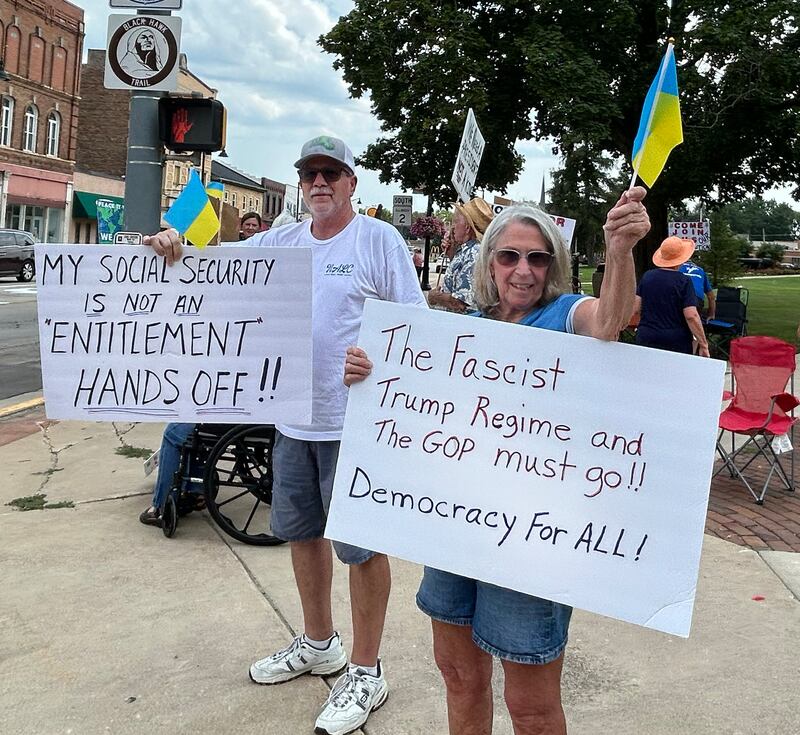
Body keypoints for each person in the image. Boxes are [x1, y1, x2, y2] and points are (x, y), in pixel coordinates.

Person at [146, 135, 426, 735]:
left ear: (352, 182)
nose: (319, 182)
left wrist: (375, 359)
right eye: (309, 173)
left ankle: (367, 670)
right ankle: (319, 641)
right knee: (301, 534)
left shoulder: (378, 240)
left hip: (354, 424)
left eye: (331, 172)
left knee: (362, 548)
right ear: (301, 184)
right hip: (292, 419)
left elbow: (415, 326)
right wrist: (177, 241)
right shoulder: (282, 241)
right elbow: (214, 265)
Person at [344, 188, 651, 734]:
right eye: (509, 256)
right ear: (490, 263)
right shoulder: (467, 329)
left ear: (553, 264)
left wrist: (620, 248)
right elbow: (414, 410)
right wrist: (372, 375)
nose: (523, 271)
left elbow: (609, 322)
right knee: (459, 677)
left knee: (530, 704)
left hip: (532, 544)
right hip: (454, 534)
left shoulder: (564, 315)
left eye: (538, 258)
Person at [139, 209, 286, 528]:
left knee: (176, 429)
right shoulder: (276, 304)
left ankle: (161, 505)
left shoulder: (263, 305)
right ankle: (192, 486)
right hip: (252, 399)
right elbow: (206, 255)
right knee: (192, 410)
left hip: (249, 405)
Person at [634, 236, 710, 356]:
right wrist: (703, 344)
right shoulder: (684, 281)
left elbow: (636, 308)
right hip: (676, 341)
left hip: (646, 336)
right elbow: (691, 315)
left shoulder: (647, 277)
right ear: (681, 259)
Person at [427, 197, 493, 313]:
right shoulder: (468, 250)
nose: (453, 227)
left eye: (456, 221)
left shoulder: (474, 253)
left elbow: (461, 303)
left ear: (467, 228)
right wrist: (452, 253)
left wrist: (435, 297)